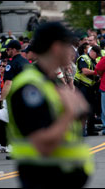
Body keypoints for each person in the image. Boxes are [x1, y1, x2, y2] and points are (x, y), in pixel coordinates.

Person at [6, 22, 94, 188]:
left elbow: (70, 127)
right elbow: (42, 144)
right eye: (68, 45)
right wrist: (70, 112)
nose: (71, 51)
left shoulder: (49, 80)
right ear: (56, 47)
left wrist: (79, 113)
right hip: (43, 177)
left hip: (62, 176)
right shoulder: (30, 87)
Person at [74, 45, 101, 136]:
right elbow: (85, 71)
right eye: (96, 54)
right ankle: (80, 131)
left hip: (91, 88)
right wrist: (97, 73)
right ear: (92, 51)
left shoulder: (94, 60)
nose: (97, 56)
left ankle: (91, 129)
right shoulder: (83, 58)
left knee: (91, 110)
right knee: (82, 109)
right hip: (82, 87)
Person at [0, 40, 29, 109]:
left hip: (17, 98)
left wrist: (1, 99)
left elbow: (8, 83)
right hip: (28, 96)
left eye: (8, 49)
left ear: (14, 50)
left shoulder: (12, 64)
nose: (6, 51)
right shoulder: (26, 62)